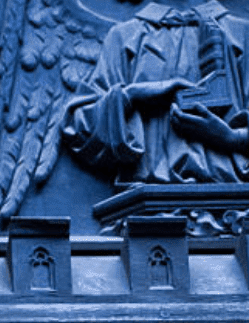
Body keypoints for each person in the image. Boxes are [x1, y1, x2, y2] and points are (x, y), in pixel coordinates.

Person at [64, 0, 249, 186]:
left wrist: (231, 138)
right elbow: (80, 129)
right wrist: (131, 96)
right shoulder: (125, 37)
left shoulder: (241, 33)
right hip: (144, 199)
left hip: (234, 198)